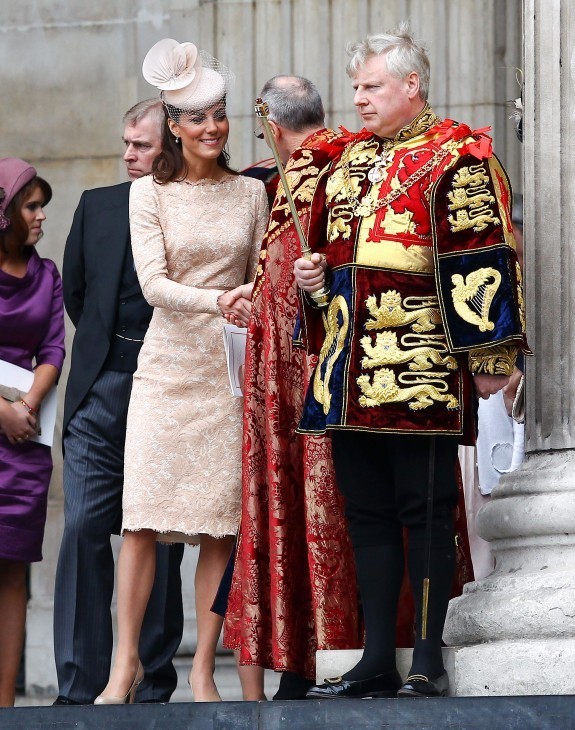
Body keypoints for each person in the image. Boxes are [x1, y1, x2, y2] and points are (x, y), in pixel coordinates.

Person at [294, 27, 529, 699]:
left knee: (424, 511)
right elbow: (330, 260)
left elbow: (481, 254)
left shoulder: (457, 154)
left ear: (410, 86)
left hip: (419, 365)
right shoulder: (343, 162)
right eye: (357, 88)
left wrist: (489, 354)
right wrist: (313, 278)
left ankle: (425, 654)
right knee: (363, 514)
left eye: (370, 87)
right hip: (346, 369)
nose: (359, 99)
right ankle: (375, 655)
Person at [95, 38, 268, 705]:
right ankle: (124, 667)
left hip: (228, 370)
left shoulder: (251, 193)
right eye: (197, 117)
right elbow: (154, 284)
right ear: (173, 125)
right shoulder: (148, 193)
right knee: (141, 521)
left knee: (217, 525)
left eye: (219, 113)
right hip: (166, 368)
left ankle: (202, 672)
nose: (212, 126)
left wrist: (272, 290)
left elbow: (258, 275)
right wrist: (218, 299)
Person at [223, 76, 362, 699]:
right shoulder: (352, 163)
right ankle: (324, 654)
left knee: (323, 505)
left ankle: (319, 655)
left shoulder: (315, 173)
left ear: (271, 127)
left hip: (306, 383)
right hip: (346, 375)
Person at [53, 99, 184, 706]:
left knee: (153, 532)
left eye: (141, 145)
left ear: (171, 146)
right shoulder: (97, 206)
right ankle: (79, 687)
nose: (128, 155)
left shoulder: (191, 203)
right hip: (101, 389)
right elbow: (76, 293)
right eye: (126, 143)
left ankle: (152, 683)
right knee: (82, 528)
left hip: (170, 387)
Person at [0, 158, 65, 706]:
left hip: (24, 445)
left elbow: (53, 347)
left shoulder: (46, 276)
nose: (41, 215)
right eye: (31, 206)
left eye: (42, 205)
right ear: (5, 213)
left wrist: (27, 406)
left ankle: (5, 709)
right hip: (6, 420)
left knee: (14, 576)